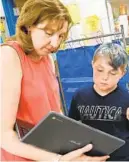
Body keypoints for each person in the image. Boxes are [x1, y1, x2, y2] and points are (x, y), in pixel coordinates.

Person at [1, 0, 110, 161]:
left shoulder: (48, 59)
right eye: (48, 33)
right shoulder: (9, 56)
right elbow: (4, 135)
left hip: (52, 152)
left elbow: (54, 112)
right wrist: (57, 159)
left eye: (60, 36)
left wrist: (75, 149)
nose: (55, 43)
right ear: (28, 25)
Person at [69, 43, 129, 161]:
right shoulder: (80, 96)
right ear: (92, 65)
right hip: (90, 157)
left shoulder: (127, 98)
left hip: (122, 157)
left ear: (122, 73)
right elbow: (71, 127)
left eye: (112, 73)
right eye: (100, 70)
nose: (104, 77)